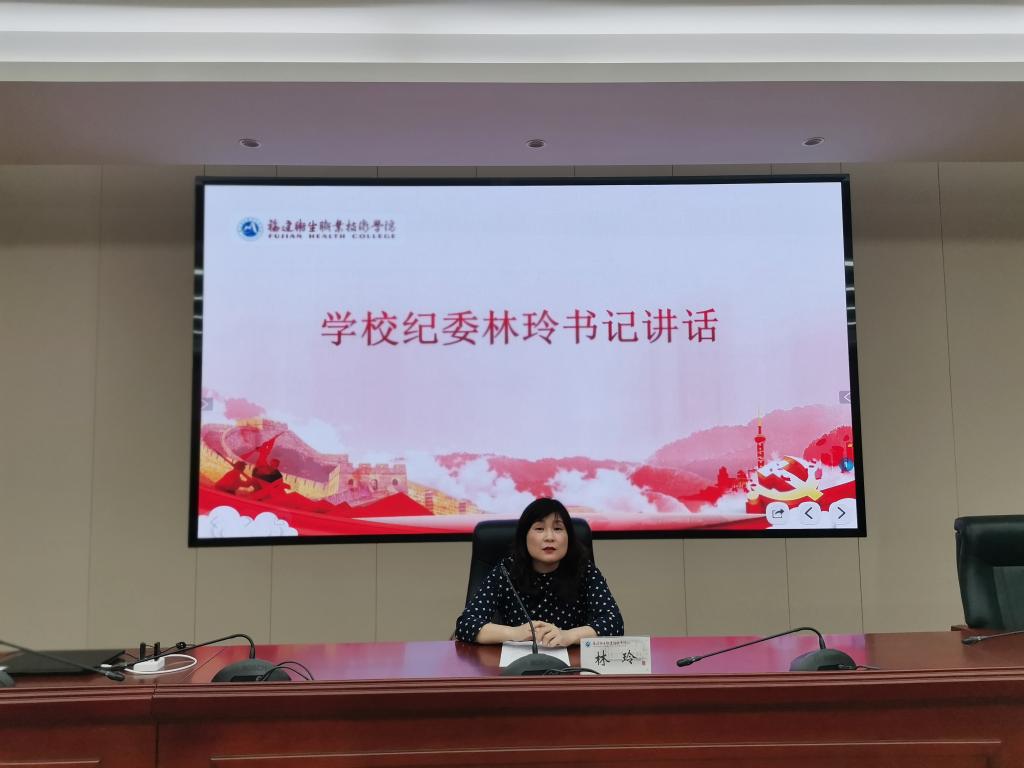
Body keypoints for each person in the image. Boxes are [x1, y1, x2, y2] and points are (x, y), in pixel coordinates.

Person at [454, 497, 623, 647]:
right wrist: (515, 633)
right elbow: (466, 624)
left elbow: (614, 623)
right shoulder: (506, 570)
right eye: (539, 529)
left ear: (569, 537)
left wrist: (568, 636)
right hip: (517, 665)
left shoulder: (583, 569)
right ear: (524, 537)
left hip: (572, 665)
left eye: (558, 529)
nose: (549, 537)